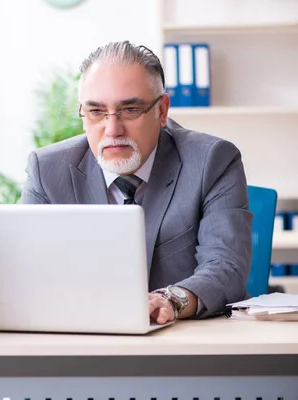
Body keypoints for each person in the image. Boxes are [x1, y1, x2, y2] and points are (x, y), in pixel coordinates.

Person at [19, 41, 253, 324]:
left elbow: (226, 267)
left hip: (181, 343)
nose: (112, 129)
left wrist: (170, 301)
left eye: (130, 110)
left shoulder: (212, 161)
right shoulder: (47, 171)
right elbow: (25, 272)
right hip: (78, 338)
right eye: (96, 112)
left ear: (162, 110)